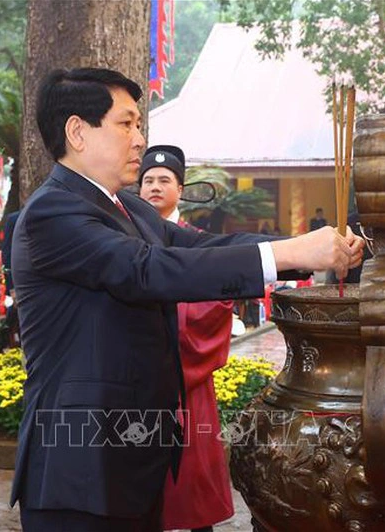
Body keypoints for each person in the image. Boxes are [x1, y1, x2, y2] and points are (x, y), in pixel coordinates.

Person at [9, 67, 364, 530]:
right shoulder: (53, 211)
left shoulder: (128, 207)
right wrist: (290, 251)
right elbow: (145, 271)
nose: (139, 139)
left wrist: (305, 249)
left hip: (134, 459)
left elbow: (202, 249)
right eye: (126, 123)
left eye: (139, 125)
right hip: (80, 464)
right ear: (77, 131)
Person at [139, 145, 234, 531]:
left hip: (186, 383)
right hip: (138, 382)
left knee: (192, 489)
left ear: (181, 189)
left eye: (164, 180)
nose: (154, 187)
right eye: (147, 180)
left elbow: (218, 302)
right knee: (141, 487)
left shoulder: (198, 242)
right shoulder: (126, 238)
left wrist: (165, 338)